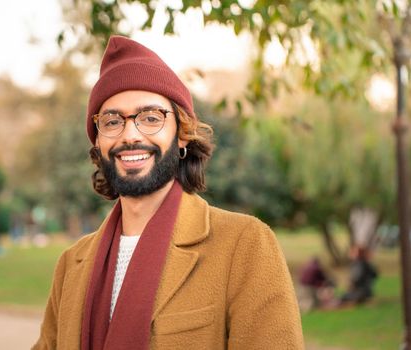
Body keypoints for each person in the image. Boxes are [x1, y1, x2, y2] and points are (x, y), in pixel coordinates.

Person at [33, 35, 303, 350]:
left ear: (182, 135)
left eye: (150, 118)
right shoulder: (71, 264)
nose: (130, 134)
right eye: (112, 121)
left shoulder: (244, 244)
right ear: (98, 143)